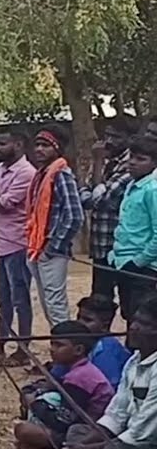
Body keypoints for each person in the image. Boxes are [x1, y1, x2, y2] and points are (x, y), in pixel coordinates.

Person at [37, 299, 157, 449]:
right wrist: (83, 444)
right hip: (125, 435)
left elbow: (141, 433)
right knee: (79, 433)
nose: (134, 327)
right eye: (134, 321)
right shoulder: (134, 362)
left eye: (145, 324)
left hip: (146, 444)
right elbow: (116, 414)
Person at [0, 131, 37, 366]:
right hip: (1, 242)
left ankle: (24, 348)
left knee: (19, 296)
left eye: (3, 143)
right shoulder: (0, 169)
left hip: (18, 243)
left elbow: (1, 204)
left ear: (19, 145)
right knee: (3, 295)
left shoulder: (26, 173)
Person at [13, 320, 113, 449]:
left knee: (23, 430)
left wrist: (34, 403)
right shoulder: (75, 369)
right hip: (77, 423)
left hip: (87, 430)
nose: (52, 349)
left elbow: (64, 420)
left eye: (59, 345)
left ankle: (62, 445)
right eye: (52, 344)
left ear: (78, 350)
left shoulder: (81, 377)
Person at [26, 126, 85, 327]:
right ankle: (59, 346)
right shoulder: (41, 175)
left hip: (51, 249)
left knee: (56, 303)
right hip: (37, 247)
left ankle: (66, 348)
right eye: (37, 145)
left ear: (57, 148)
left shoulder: (61, 174)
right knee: (47, 303)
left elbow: (74, 216)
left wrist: (53, 246)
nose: (39, 150)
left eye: (45, 145)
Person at [83, 117, 138, 301]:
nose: (109, 141)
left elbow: (102, 200)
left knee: (129, 302)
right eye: (107, 136)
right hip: (100, 242)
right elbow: (84, 193)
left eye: (116, 137)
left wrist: (98, 162)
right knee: (99, 300)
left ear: (131, 139)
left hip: (122, 247)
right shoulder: (106, 159)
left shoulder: (132, 164)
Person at [110, 134, 157, 321]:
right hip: (124, 263)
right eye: (131, 157)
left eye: (141, 159)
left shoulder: (152, 189)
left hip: (143, 268)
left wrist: (138, 261)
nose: (132, 163)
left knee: (143, 319)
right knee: (129, 315)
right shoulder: (132, 185)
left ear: (154, 163)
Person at [77, 294, 134, 388]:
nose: (79, 323)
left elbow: (108, 388)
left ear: (104, 326)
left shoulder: (106, 350)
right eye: (78, 317)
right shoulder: (84, 342)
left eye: (87, 320)